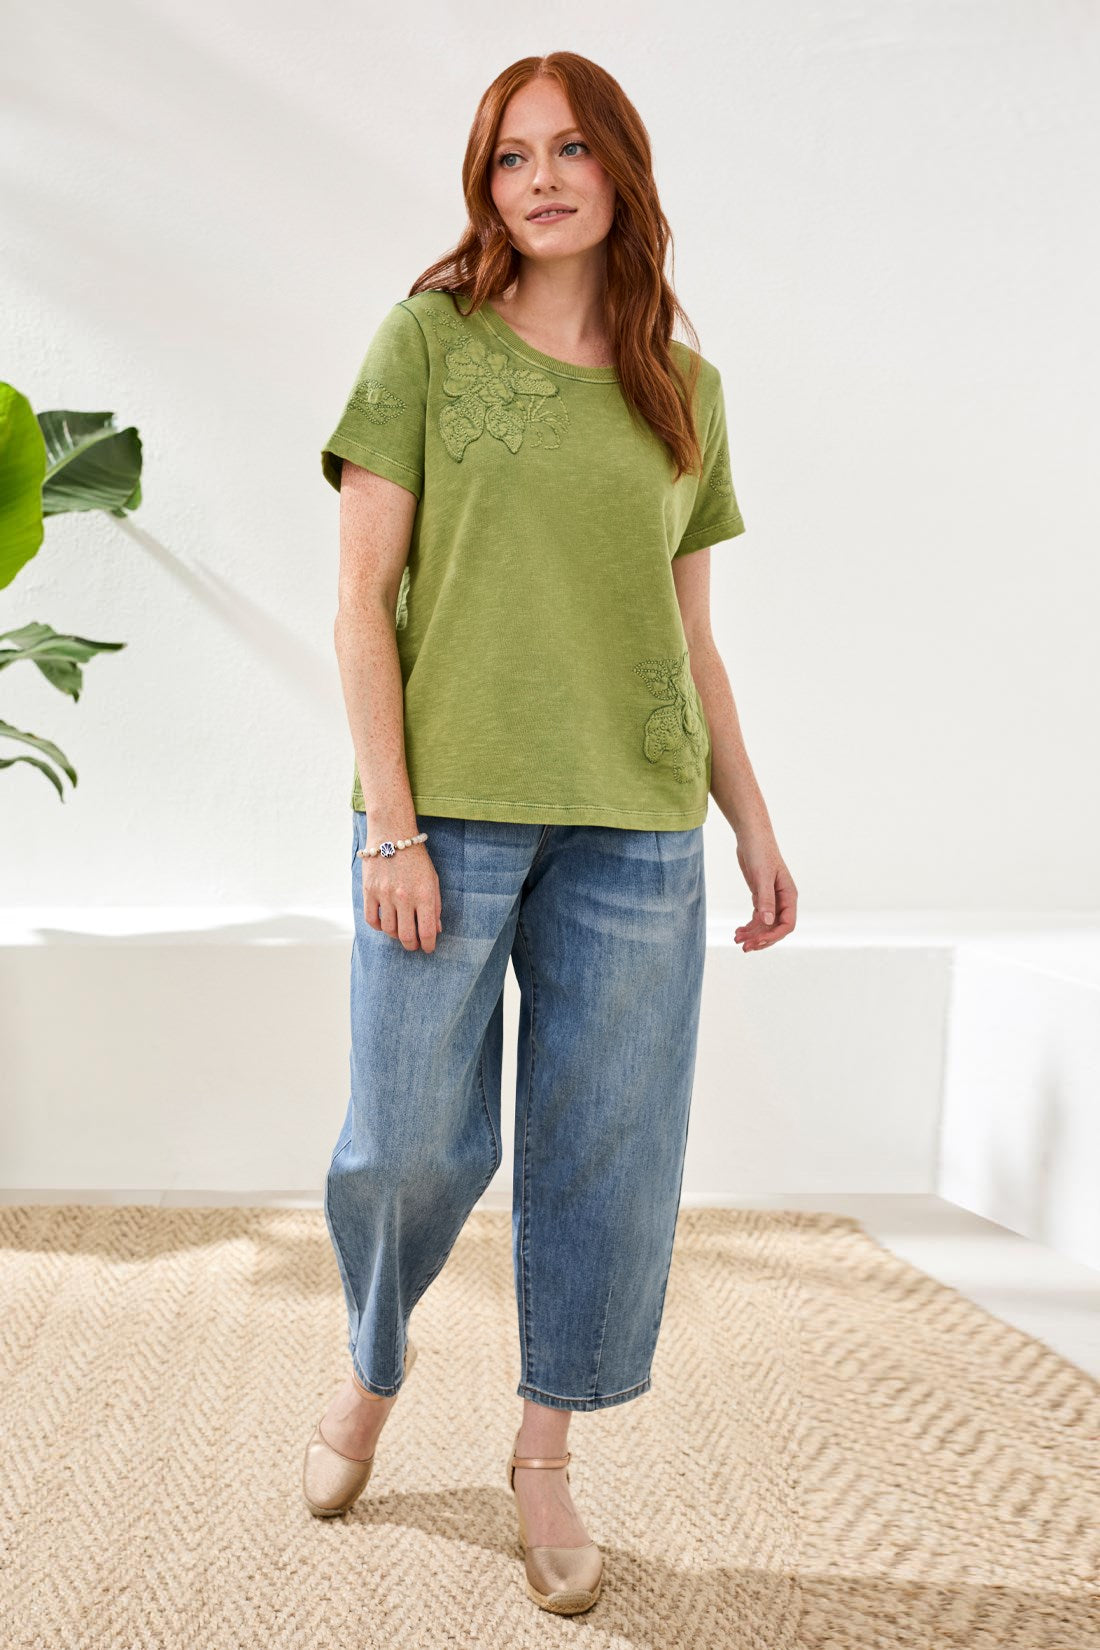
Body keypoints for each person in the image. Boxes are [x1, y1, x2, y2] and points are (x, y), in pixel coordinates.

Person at [302, 50, 797, 1615]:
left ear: (621, 170)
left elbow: (690, 638)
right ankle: (373, 1365)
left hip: (636, 829)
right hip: (442, 819)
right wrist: (391, 828)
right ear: (486, 184)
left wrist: (754, 822)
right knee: (407, 1140)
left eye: (570, 149)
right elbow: (360, 604)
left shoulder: (684, 390)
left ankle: (544, 1452)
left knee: (606, 1153)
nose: (540, 180)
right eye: (512, 157)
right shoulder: (425, 343)